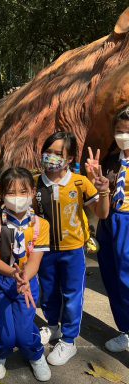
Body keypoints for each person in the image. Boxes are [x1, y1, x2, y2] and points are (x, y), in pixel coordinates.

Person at [35, 131, 109, 366]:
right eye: (48, 151)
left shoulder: (80, 182)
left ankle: (68, 340)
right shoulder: (36, 183)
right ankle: (52, 327)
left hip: (74, 250)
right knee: (48, 292)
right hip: (45, 250)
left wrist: (103, 191)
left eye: (58, 153)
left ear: (69, 159)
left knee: (72, 294)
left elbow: (102, 213)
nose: (51, 157)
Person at [0, 167, 51, 382]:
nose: (18, 197)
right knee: (6, 333)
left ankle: (35, 354)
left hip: (27, 281)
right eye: (11, 192)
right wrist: (15, 274)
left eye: (23, 191)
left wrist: (24, 278)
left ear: (33, 192)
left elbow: (35, 261)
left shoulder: (41, 225)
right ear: (2, 194)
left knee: (24, 330)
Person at [88, 106, 129, 352]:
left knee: (127, 280)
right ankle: (125, 329)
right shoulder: (111, 160)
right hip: (109, 223)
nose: (124, 136)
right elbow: (100, 200)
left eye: (128, 132)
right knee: (112, 278)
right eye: (120, 131)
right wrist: (96, 180)